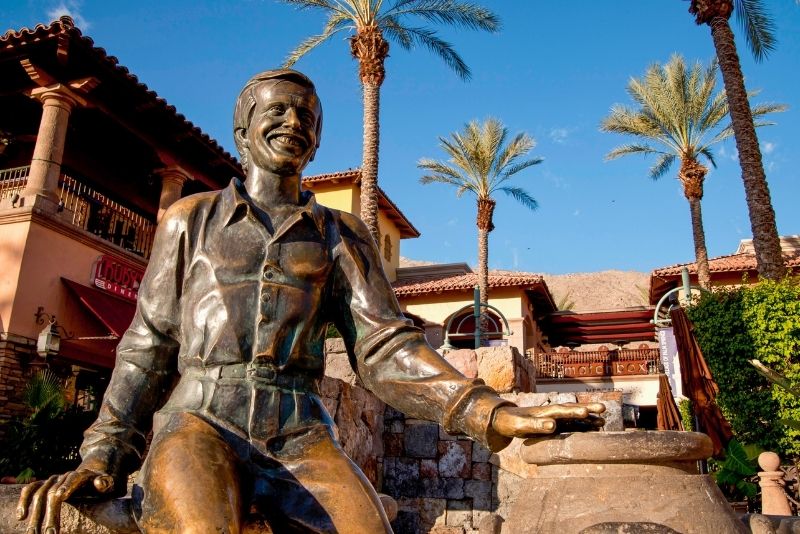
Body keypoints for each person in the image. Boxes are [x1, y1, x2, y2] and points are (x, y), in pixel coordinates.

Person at [18, 69, 604, 534]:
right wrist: (103, 456)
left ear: (318, 140)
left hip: (301, 434)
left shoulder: (343, 235)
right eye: (276, 111)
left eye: (307, 116)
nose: (294, 122)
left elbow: (385, 347)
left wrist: (491, 412)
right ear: (243, 131)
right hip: (199, 421)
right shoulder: (188, 220)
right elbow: (147, 344)